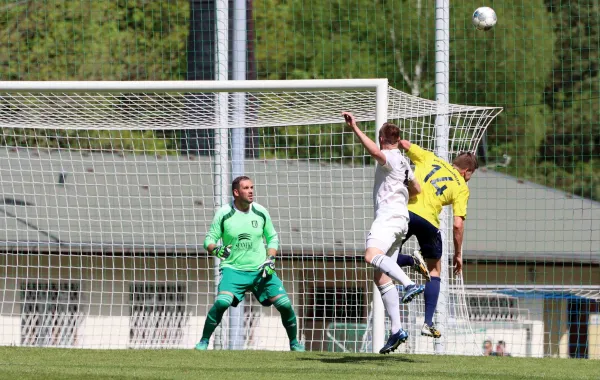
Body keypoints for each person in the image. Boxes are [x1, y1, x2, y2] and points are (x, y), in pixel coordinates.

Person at [343, 112, 425, 355]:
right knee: (380, 276)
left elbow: (377, 154)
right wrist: (399, 197)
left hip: (388, 218)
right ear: (399, 140)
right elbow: (417, 189)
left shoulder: (388, 155)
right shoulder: (404, 161)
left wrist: (356, 128)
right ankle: (397, 330)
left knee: (370, 256)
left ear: (381, 138)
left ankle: (409, 284)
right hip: (401, 219)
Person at [195, 176, 305, 352]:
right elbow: (209, 239)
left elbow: (272, 238)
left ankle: (294, 343)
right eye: (246, 188)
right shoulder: (224, 213)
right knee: (222, 303)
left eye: (252, 187)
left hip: (261, 270)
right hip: (233, 270)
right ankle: (203, 341)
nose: (251, 191)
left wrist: (271, 258)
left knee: (285, 304)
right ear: (236, 192)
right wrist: (216, 250)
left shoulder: (260, 211)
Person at [394, 140, 479, 339]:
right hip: (429, 223)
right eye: (470, 176)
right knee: (434, 271)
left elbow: (405, 144)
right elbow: (458, 224)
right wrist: (458, 254)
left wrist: (392, 140)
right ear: (466, 171)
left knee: (382, 257)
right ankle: (428, 323)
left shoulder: (430, 158)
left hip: (405, 214)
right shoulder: (461, 187)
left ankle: (410, 261)